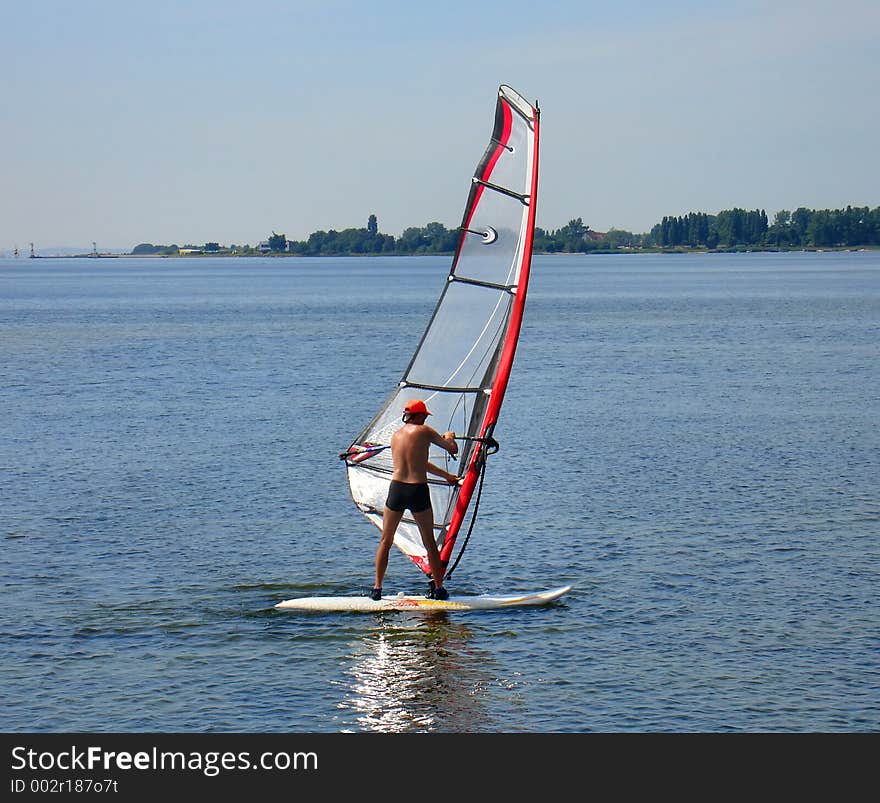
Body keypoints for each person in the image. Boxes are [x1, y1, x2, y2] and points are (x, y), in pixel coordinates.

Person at [371, 399, 460, 601]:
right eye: (423, 416)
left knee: (386, 539)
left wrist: (445, 476)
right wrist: (449, 437)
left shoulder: (395, 436)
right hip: (417, 490)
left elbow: (419, 462)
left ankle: (377, 589)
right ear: (418, 416)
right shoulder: (424, 431)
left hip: (397, 490)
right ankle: (439, 588)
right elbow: (452, 448)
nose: (424, 419)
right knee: (429, 541)